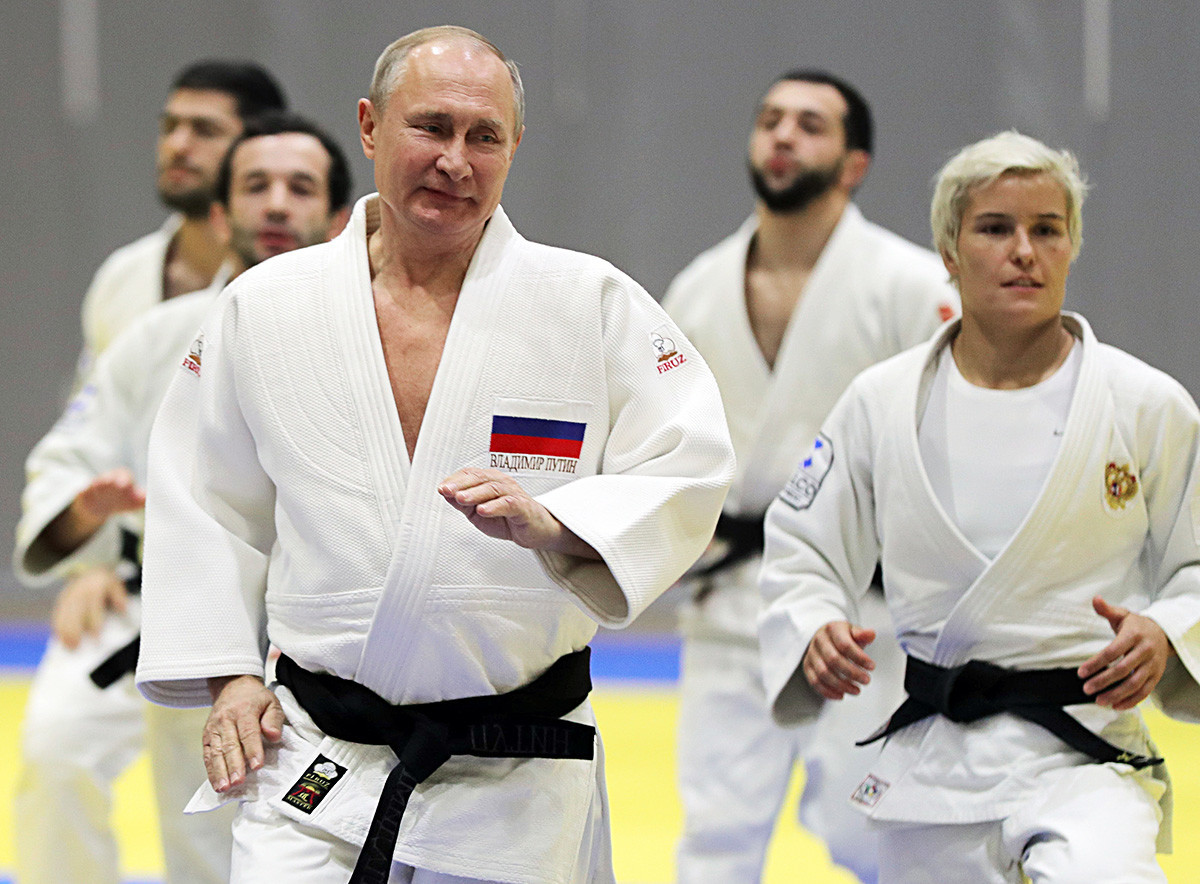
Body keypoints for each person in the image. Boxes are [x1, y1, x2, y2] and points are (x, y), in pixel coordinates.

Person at [134, 25, 735, 884]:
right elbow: (203, 495)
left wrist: (561, 520)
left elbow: (692, 461)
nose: (456, 159)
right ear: (371, 127)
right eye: (432, 127)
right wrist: (230, 676)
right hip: (316, 755)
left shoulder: (588, 302)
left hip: (515, 769)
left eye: (484, 136)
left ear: (515, 147)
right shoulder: (264, 306)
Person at [758, 130, 1200, 883]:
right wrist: (814, 627)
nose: (1023, 250)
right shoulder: (881, 402)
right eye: (996, 228)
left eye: (1047, 230)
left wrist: (1166, 630)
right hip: (938, 756)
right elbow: (803, 547)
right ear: (950, 253)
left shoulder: (1146, 403)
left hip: (1084, 749)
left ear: (1071, 248)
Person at [12, 112, 352, 884]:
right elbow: (70, 455)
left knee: (245, 825)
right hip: (151, 597)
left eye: (299, 188)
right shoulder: (158, 337)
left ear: (338, 219)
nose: (275, 204)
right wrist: (85, 529)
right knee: (56, 752)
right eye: (254, 187)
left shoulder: (376, 343)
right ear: (220, 213)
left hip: (302, 622)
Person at [663, 70, 957, 884]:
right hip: (730, 605)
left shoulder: (910, 286)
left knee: (867, 828)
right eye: (769, 120)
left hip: (864, 609)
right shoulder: (697, 288)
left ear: (853, 162)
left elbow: (953, 444)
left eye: (809, 125)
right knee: (715, 836)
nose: (783, 136)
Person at [76, 59, 287, 381]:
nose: (177, 146)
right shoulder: (122, 275)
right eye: (170, 127)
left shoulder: (289, 277)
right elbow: (91, 416)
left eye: (205, 130)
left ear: (260, 147)